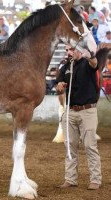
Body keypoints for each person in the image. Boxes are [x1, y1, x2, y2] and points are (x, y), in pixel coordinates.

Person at [56, 46, 102, 190]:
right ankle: (70, 179)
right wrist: (60, 87)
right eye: (67, 50)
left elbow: (94, 64)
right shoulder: (65, 67)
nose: (69, 52)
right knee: (70, 147)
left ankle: (95, 179)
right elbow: (59, 86)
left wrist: (90, 56)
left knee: (90, 146)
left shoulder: (87, 63)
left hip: (87, 111)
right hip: (70, 111)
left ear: (80, 50)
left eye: (72, 49)